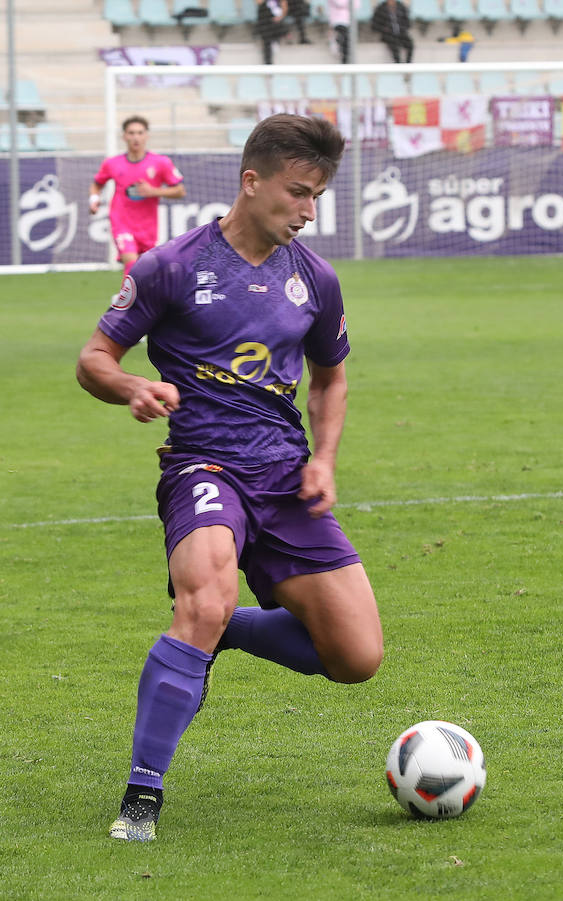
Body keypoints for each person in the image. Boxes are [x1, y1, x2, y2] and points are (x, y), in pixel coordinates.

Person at [78, 114, 384, 843]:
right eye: (299, 193)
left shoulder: (315, 278)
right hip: (202, 466)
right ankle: (141, 799)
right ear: (253, 182)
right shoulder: (171, 267)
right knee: (203, 597)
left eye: (317, 197)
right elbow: (95, 357)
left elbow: (331, 379)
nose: (308, 210)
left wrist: (325, 458)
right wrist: (132, 388)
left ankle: (226, 637)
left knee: (355, 657)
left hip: (285, 477)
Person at [89, 116, 186, 279]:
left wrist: (153, 191)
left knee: (145, 271)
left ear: (146, 136)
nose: (136, 137)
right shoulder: (112, 163)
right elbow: (97, 183)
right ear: (124, 136)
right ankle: (127, 303)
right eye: (131, 133)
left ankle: (132, 301)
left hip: (147, 226)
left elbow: (180, 191)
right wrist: (93, 199)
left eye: (140, 133)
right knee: (131, 262)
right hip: (121, 222)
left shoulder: (161, 162)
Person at [254, 0, 290, 65]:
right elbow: (258, 2)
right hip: (264, 21)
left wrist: (280, 17)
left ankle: (276, 40)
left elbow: (284, 7)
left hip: (276, 21)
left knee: (277, 26)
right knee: (266, 41)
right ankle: (268, 64)